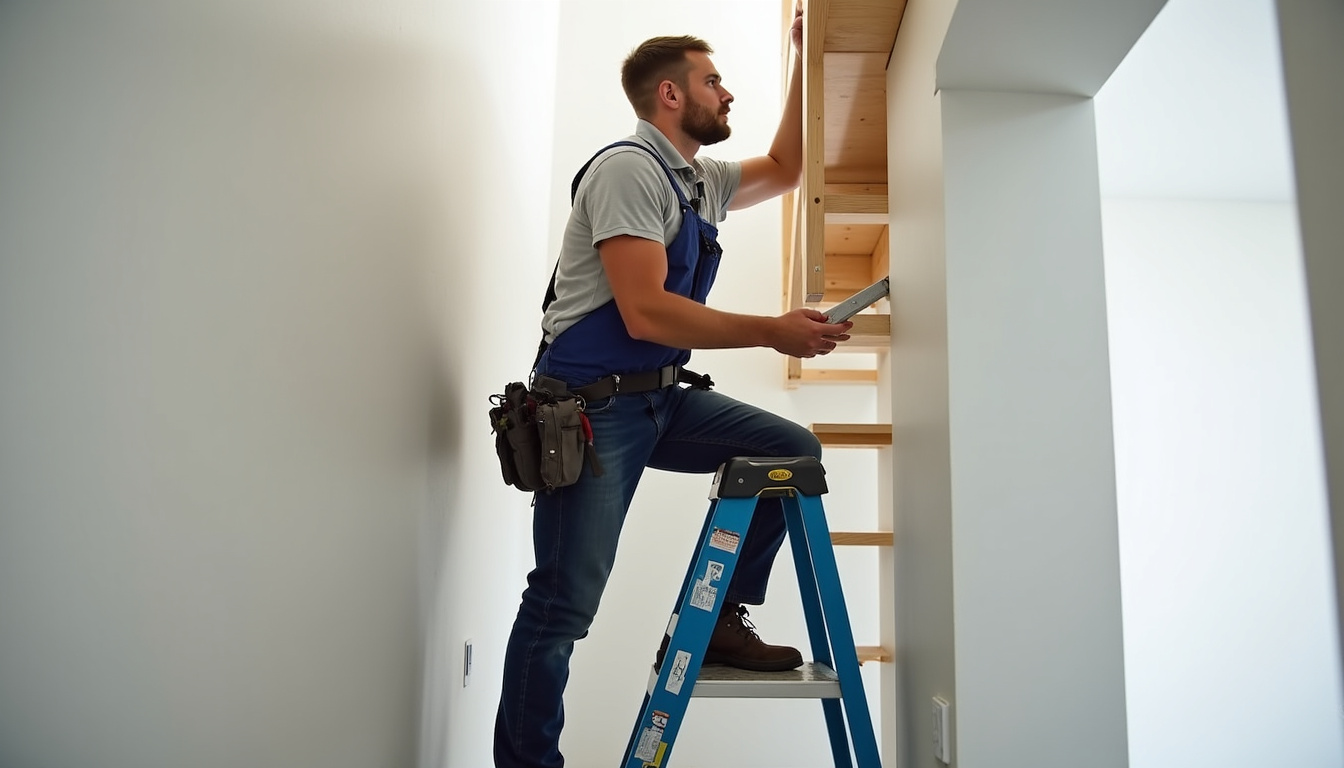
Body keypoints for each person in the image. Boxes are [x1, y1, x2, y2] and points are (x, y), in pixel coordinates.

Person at [493, 8, 852, 767]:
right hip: (593, 413)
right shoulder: (629, 169)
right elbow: (645, 308)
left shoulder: (697, 180)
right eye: (712, 82)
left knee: (788, 450)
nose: (726, 95)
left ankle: (723, 614)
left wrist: (801, 58)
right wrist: (771, 330)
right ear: (668, 94)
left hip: (660, 398)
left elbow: (786, 169)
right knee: (563, 605)